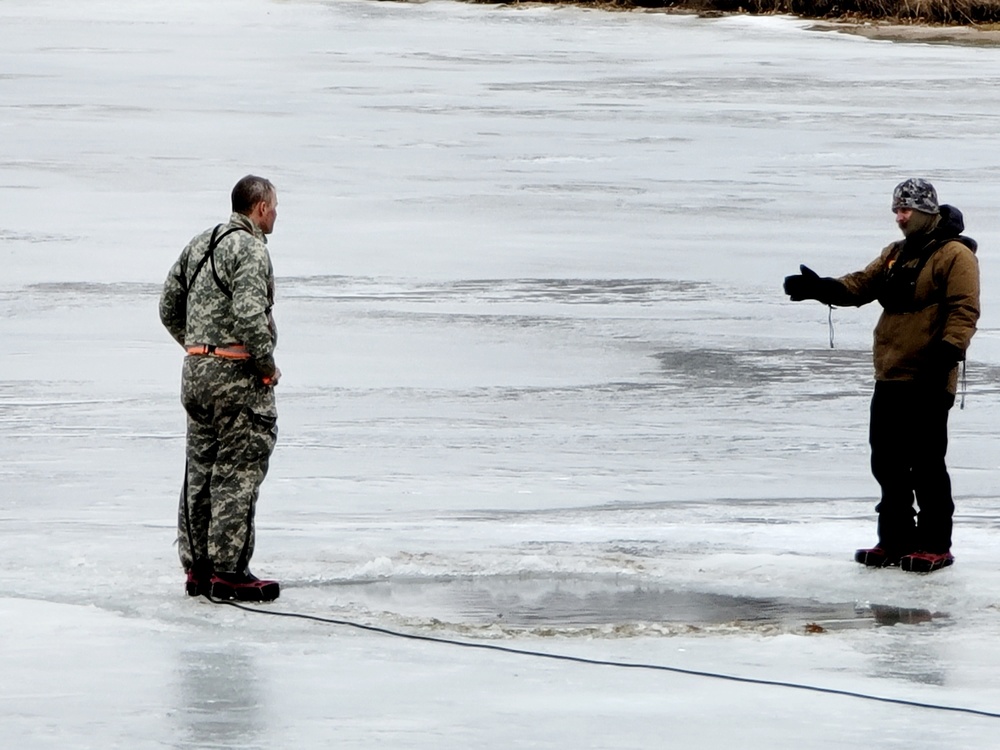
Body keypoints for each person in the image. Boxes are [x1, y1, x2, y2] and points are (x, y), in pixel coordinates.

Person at [783, 178, 979, 573]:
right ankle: (894, 539)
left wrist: (949, 350)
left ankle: (935, 544)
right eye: (896, 210)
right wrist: (822, 288)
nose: (899, 217)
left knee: (925, 463)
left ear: (926, 211)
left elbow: (964, 308)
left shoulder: (955, 255)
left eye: (905, 210)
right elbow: (861, 285)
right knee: (886, 462)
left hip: (929, 374)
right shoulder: (895, 254)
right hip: (890, 373)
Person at [160, 175, 282, 600]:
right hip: (235, 379)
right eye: (275, 206)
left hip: (195, 375)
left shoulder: (199, 244)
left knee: (200, 470)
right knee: (237, 470)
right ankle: (230, 571)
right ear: (261, 207)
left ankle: (198, 570)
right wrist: (265, 366)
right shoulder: (248, 247)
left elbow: (168, 307)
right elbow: (250, 315)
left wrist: (198, 349)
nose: (277, 214)